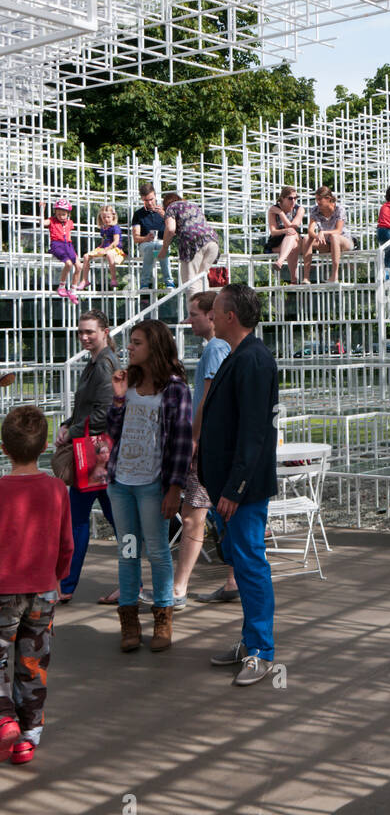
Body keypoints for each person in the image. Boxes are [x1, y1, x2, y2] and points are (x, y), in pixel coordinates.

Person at [199, 285, 280, 686]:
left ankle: (262, 650)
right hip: (230, 487)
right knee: (243, 562)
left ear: (230, 316)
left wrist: (235, 487)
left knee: (250, 564)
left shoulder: (253, 360)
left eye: (214, 310)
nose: (209, 316)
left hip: (241, 490)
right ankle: (251, 642)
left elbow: (254, 432)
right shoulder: (240, 356)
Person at [105, 321, 193, 654]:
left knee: (157, 552)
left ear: (153, 347)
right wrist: (116, 400)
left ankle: (163, 617)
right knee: (128, 552)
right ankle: (128, 620)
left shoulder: (174, 389)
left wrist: (175, 488)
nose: (129, 348)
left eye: (136, 343)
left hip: (153, 485)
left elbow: (182, 443)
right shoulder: (129, 383)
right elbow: (113, 431)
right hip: (121, 484)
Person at [0, 406, 73, 765]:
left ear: (4, 448)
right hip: (44, 590)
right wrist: (57, 577)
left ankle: (3, 719)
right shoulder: (57, 489)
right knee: (33, 661)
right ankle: (27, 738)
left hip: (3, 591)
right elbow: (66, 544)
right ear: (45, 445)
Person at [53, 309, 119, 603]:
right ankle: (135, 582)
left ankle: (66, 585)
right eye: (81, 331)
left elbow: (104, 414)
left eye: (90, 331)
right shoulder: (97, 362)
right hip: (96, 457)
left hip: (95, 456)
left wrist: (72, 429)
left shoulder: (103, 365)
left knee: (78, 519)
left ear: (105, 331)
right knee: (114, 518)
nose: (84, 336)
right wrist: (69, 424)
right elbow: (89, 408)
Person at [173, 292, 233, 608]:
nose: (189, 319)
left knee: (192, 517)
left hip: (207, 444)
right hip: (217, 443)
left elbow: (208, 400)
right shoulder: (223, 348)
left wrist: (194, 440)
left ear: (212, 316)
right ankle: (232, 579)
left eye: (194, 314)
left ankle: (178, 587)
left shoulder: (214, 349)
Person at [157, 192, 220, 302]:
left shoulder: (171, 208)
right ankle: (208, 313)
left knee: (191, 283)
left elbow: (171, 229)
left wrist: (164, 248)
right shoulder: (193, 206)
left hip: (193, 245)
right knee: (202, 279)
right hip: (213, 242)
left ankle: (193, 316)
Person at [302, 186, 354, 284]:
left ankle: (334, 276)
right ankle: (306, 277)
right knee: (306, 239)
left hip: (343, 241)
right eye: (316, 199)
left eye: (320, 199)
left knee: (334, 237)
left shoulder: (339, 209)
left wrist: (323, 232)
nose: (318, 202)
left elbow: (338, 231)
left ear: (328, 198)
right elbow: (310, 230)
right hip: (327, 243)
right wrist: (316, 236)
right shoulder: (315, 210)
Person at [131, 183, 175, 292]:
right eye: (146, 200)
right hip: (146, 245)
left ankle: (169, 282)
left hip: (161, 243)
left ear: (155, 195)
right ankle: (144, 283)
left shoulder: (165, 211)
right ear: (142, 199)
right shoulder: (138, 214)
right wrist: (145, 238)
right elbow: (136, 238)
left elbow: (174, 229)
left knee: (162, 246)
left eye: (151, 199)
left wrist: (164, 216)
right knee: (150, 247)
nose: (150, 203)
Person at [39, 198, 82, 302]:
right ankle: (62, 286)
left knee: (79, 266)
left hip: (68, 245)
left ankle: (73, 290)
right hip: (57, 244)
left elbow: (69, 236)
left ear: (68, 214)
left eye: (63, 214)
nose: (61, 216)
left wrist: (71, 250)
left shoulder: (69, 222)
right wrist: (42, 209)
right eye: (58, 214)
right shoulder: (52, 221)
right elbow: (42, 223)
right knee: (68, 264)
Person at [77, 204, 125, 290]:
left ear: (113, 217)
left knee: (110, 255)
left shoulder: (115, 227)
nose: (106, 219)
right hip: (104, 248)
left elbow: (116, 241)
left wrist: (106, 249)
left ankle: (114, 278)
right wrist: (99, 248)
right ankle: (84, 280)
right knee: (86, 256)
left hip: (115, 248)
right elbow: (104, 240)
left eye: (108, 217)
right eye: (104, 217)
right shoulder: (103, 228)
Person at [266, 186, 305, 281]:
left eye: (296, 198)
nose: (293, 201)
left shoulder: (299, 209)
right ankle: (294, 280)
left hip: (294, 237)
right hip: (278, 242)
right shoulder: (273, 210)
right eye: (290, 198)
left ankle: (280, 261)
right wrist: (284, 230)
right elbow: (273, 232)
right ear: (282, 198)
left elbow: (292, 227)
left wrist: (281, 214)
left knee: (292, 234)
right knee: (293, 245)